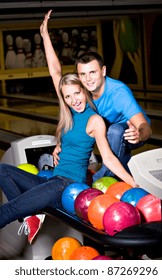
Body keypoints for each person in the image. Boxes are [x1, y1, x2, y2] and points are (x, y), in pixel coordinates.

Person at [0, 11, 138, 245]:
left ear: (84, 91)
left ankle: (27, 214)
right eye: (68, 96)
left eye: (77, 94)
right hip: (52, 180)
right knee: (3, 170)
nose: (74, 100)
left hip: (67, 186)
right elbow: (55, 71)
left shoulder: (94, 120)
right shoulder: (70, 113)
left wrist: (133, 183)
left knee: (6, 211)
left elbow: (109, 158)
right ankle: (31, 216)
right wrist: (44, 35)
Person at [48, 10, 152, 181]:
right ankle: (125, 177)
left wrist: (139, 134)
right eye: (83, 74)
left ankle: (104, 179)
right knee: (111, 134)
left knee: (116, 131)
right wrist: (62, 144)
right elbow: (56, 73)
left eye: (93, 72)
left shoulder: (119, 93)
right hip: (107, 133)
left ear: (103, 71)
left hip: (130, 133)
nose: (88, 79)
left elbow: (145, 126)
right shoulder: (81, 89)